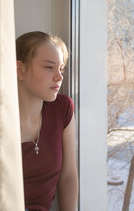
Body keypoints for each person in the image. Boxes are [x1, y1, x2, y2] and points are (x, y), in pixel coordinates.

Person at [16, 31, 78, 211]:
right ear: (19, 69)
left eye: (61, 68)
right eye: (49, 67)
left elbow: (68, 177)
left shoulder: (62, 109)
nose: (59, 77)